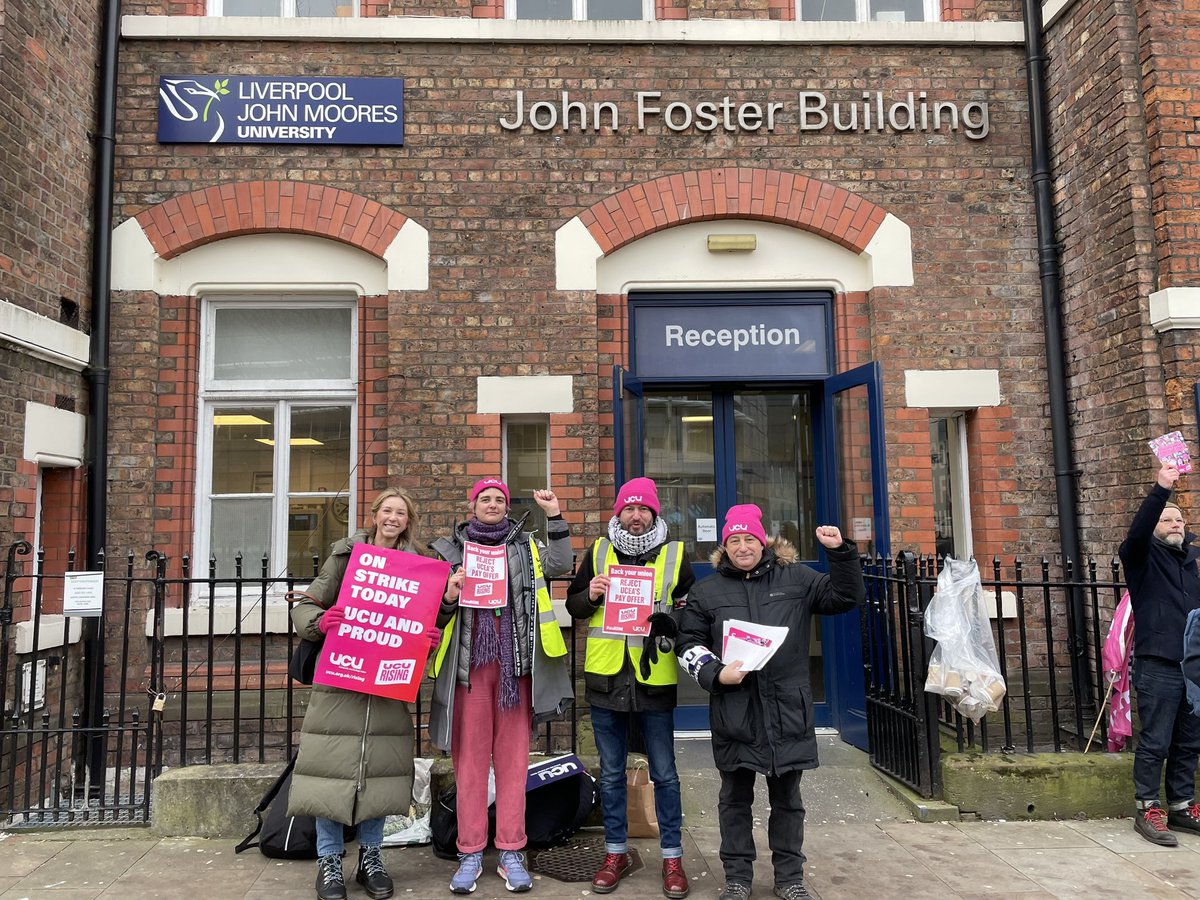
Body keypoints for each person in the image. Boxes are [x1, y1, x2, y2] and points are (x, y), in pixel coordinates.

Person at [675, 504, 864, 900]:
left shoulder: (796, 578)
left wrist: (841, 552)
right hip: (735, 709)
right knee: (734, 800)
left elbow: (845, 597)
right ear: (724, 545)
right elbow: (687, 643)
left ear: (763, 541)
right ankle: (738, 878)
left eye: (749, 539)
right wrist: (715, 673)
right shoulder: (707, 590)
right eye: (734, 540)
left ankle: (790, 878)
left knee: (788, 801)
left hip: (786, 708)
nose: (743, 547)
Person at [289, 488, 453, 900]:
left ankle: (371, 858)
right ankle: (329, 861)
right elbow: (305, 606)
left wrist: (433, 630)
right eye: (387, 511)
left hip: (388, 682)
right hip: (340, 680)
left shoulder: (421, 565)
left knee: (379, 772)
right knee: (331, 772)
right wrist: (323, 621)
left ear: (408, 520)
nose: (393, 518)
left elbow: (428, 617)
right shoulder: (346, 555)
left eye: (401, 512)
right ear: (375, 514)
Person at [429, 478, 574, 894]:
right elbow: (434, 615)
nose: (492, 504)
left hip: (516, 671)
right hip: (468, 671)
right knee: (470, 767)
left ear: (507, 507)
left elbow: (561, 562)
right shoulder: (448, 551)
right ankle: (470, 851)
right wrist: (451, 596)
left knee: (513, 767)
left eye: (499, 499)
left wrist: (555, 517)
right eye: (484, 499)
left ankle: (511, 850)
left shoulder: (525, 546)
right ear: (472, 506)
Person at [566, 477, 695, 899]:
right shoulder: (600, 551)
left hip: (654, 678)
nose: (636, 516)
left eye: (644, 510)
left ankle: (672, 858)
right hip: (606, 679)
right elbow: (574, 605)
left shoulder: (676, 555)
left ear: (654, 515)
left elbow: (692, 611)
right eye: (629, 509)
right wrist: (591, 593)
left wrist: (675, 619)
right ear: (618, 514)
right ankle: (615, 853)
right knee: (612, 776)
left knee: (665, 774)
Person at [1118, 462, 1200, 846]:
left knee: (1189, 741)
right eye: (1167, 519)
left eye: (1180, 519)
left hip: (1193, 670)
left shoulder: (1191, 564)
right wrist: (1161, 489)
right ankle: (1148, 807)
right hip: (1158, 666)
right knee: (1155, 742)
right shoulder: (1142, 559)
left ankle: (1182, 806)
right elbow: (1137, 532)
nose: (1175, 523)